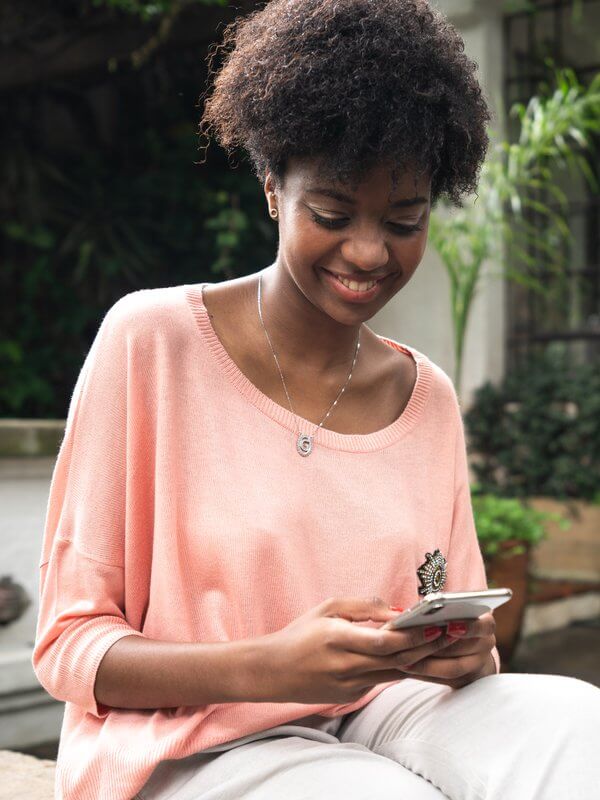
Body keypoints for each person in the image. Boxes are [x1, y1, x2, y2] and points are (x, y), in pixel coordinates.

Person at [31, 0, 600, 798]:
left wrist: (468, 652)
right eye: (332, 214)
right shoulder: (151, 344)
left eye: (405, 221)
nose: (369, 252)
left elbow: (461, 634)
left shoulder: (424, 397)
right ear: (272, 188)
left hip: (384, 716)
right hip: (192, 742)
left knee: (584, 730)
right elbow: (68, 647)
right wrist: (271, 664)